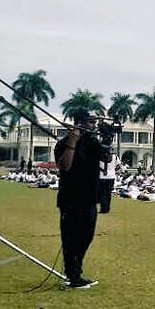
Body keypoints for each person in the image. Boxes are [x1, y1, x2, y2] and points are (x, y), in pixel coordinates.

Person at [54, 110, 110, 289]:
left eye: (94, 122)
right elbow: (65, 167)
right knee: (71, 238)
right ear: (80, 122)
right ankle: (73, 276)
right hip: (70, 199)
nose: (93, 125)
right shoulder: (63, 143)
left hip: (90, 198)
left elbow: (106, 158)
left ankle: (75, 271)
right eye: (91, 122)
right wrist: (72, 142)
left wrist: (107, 140)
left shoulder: (92, 142)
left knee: (86, 236)